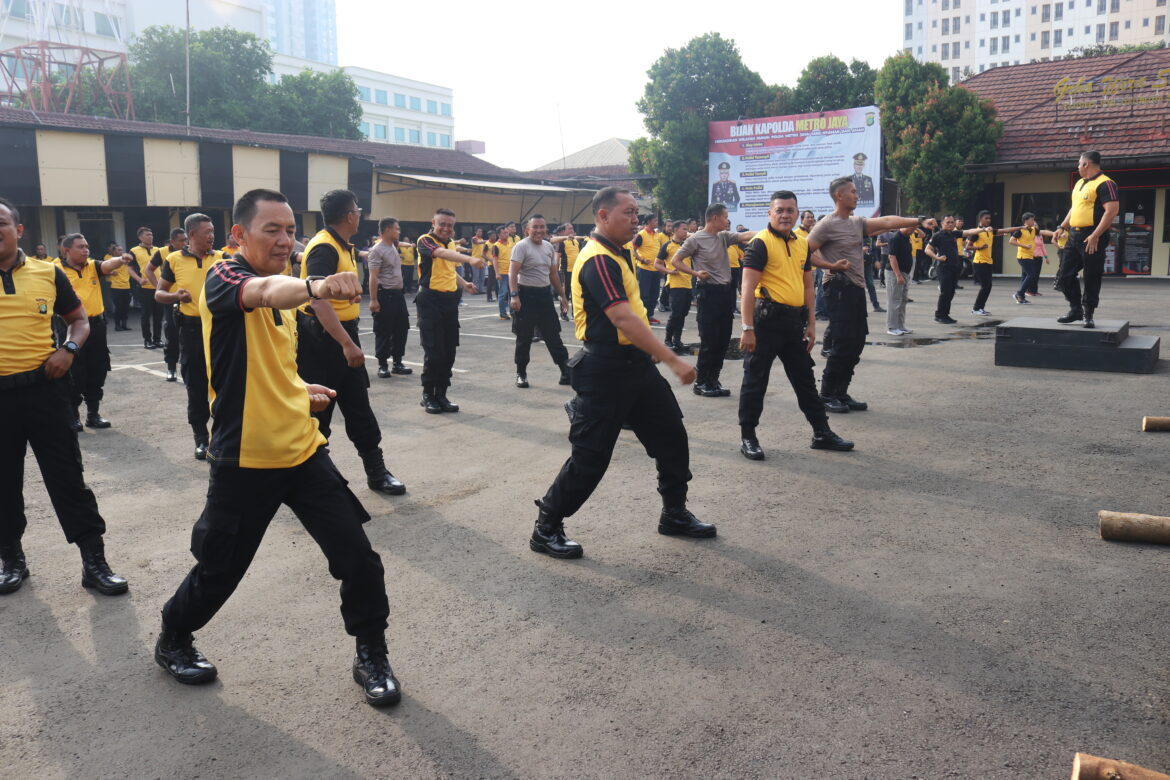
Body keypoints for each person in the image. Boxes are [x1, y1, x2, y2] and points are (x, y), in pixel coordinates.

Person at [154, 189, 400, 708]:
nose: (285, 239)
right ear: (239, 235)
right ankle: (174, 635)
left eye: (290, 230)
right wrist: (316, 285)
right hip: (244, 459)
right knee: (220, 568)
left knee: (358, 557)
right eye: (272, 229)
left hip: (303, 451)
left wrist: (298, 390)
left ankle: (370, 654)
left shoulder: (286, 297)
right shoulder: (225, 277)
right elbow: (264, 290)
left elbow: (275, 366)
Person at [528, 186, 711, 560]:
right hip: (604, 371)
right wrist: (672, 359)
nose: (635, 220)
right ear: (602, 216)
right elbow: (621, 317)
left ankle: (674, 513)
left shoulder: (619, 252)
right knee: (590, 458)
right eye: (628, 212)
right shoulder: (597, 258)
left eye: (636, 213)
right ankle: (546, 527)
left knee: (672, 438)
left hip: (636, 369)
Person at [0, 198, 129, 597]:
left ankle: (94, 561)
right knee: (3, 484)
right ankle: (11, 558)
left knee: (68, 478)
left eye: (0, 223)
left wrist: (68, 351)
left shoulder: (47, 272)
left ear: (18, 230)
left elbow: (78, 320)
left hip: (45, 391)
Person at [296, 190, 405, 495]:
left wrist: (350, 298)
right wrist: (347, 344)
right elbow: (317, 301)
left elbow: (330, 292)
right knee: (319, 412)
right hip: (322, 339)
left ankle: (377, 472)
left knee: (359, 408)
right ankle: (312, 481)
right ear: (348, 215)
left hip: (341, 331)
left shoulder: (342, 245)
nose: (360, 215)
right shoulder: (323, 247)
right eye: (358, 210)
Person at [737, 191, 854, 460]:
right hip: (764, 323)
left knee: (805, 381)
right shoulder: (759, 244)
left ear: (797, 213)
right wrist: (747, 328)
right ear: (770, 213)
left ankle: (821, 432)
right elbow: (747, 288)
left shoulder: (802, 243)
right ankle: (748, 437)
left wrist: (811, 324)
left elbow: (808, 287)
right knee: (755, 381)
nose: (785, 215)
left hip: (793, 323)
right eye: (779, 210)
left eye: (790, 210)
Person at [808, 177, 918, 414]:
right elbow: (804, 254)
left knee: (856, 342)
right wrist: (832, 265)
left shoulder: (857, 222)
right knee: (842, 342)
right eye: (853, 192)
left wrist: (918, 221)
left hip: (855, 289)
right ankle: (826, 394)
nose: (857, 196)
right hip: (837, 288)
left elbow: (887, 221)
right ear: (839, 195)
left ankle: (841, 392)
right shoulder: (826, 224)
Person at [154, 214, 227, 459]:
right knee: (196, 386)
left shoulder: (222, 258)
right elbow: (159, 294)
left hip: (220, 329)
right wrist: (176, 296)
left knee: (224, 383)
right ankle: (201, 438)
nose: (211, 235)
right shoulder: (174, 260)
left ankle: (222, 437)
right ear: (192, 235)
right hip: (192, 330)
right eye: (207, 231)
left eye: (213, 230)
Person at [668, 204, 755, 397]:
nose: (727, 221)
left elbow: (744, 236)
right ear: (715, 218)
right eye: (725, 217)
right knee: (709, 340)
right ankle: (701, 382)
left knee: (723, 340)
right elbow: (676, 260)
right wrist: (695, 272)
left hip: (726, 293)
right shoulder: (696, 239)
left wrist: (769, 231)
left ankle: (713, 380)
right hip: (708, 294)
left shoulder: (723, 236)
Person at [55, 233, 133, 430]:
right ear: (66, 250)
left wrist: (121, 259)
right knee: (74, 373)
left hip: (96, 326)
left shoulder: (92, 266)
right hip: (70, 327)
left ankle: (93, 414)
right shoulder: (54, 270)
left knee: (96, 370)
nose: (85, 250)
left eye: (87, 246)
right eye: (80, 246)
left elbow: (108, 265)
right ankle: (73, 416)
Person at [415, 207, 483, 413]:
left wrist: (465, 284)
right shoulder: (425, 240)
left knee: (449, 351)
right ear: (433, 223)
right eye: (442, 224)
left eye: (450, 225)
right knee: (434, 351)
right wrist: (469, 259)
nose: (446, 228)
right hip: (430, 301)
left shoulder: (451, 243)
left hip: (449, 302)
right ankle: (428, 395)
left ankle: (442, 394)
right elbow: (441, 254)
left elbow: (448, 269)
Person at [1056, 151, 1119, 329]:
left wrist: (1096, 235)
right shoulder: (1079, 183)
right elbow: (1074, 208)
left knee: (1091, 276)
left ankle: (1088, 313)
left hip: (1092, 236)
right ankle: (1075, 309)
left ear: (1086, 165)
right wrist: (1062, 226)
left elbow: (1111, 211)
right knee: (1064, 275)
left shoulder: (1106, 183)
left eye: (1079, 164)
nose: (1077, 167)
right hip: (1074, 235)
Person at [509, 214, 570, 388]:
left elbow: (553, 274)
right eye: (535, 227)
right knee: (524, 337)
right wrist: (514, 295)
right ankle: (521, 373)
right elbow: (512, 273)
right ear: (527, 229)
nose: (539, 230)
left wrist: (563, 296)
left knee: (553, 336)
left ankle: (565, 371)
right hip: (525, 295)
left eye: (542, 227)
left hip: (544, 296)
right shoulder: (521, 247)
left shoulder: (548, 247)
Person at [367, 218, 413, 380]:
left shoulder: (392, 245)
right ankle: (382, 365)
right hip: (384, 295)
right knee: (383, 330)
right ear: (387, 230)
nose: (399, 231)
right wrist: (373, 300)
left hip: (397, 295)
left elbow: (402, 244)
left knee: (401, 328)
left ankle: (397, 363)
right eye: (396, 229)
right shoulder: (377, 250)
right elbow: (373, 277)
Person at [144, 229, 188, 381]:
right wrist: (159, 288)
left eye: (186, 240)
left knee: (190, 334)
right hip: (171, 299)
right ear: (172, 242)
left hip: (189, 299)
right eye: (181, 240)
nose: (185, 243)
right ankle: (171, 367)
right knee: (171, 332)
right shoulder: (163, 253)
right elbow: (148, 269)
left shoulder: (190, 252)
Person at [967, 210, 1020, 316]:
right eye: (986, 218)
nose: (988, 220)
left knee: (988, 286)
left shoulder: (990, 231)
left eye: (989, 218)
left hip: (988, 261)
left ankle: (980, 308)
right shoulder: (977, 232)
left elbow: (1005, 230)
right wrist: (979, 247)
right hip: (979, 262)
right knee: (985, 286)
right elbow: (968, 246)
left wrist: (1020, 228)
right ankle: (976, 309)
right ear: (980, 219)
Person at [655, 221, 691, 353]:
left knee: (683, 314)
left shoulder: (687, 245)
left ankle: (677, 340)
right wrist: (669, 271)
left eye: (687, 229)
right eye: (683, 229)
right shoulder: (667, 246)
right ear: (675, 230)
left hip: (687, 283)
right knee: (676, 313)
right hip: (675, 284)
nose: (686, 231)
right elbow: (657, 264)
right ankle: (667, 340)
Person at [924, 215, 963, 324]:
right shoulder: (938, 235)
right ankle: (940, 315)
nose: (950, 224)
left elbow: (969, 232)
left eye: (952, 222)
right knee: (945, 292)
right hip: (943, 268)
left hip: (954, 267)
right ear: (942, 224)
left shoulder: (954, 234)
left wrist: (983, 229)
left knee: (951, 292)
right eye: (948, 222)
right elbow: (927, 249)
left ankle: (945, 314)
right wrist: (937, 258)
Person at [1011, 213, 1058, 305]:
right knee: (1031, 275)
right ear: (1026, 221)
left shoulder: (1033, 230)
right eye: (1032, 220)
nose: (1034, 221)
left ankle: (1021, 296)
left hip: (1030, 256)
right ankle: (1019, 294)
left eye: (1033, 219)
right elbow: (1011, 241)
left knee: (1029, 275)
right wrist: (1024, 246)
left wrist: (1055, 234)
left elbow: (1043, 232)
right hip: (1022, 256)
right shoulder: (1020, 230)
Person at [632, 214, 664, 323]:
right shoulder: (641, 235)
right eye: (655, 220)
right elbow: (633, 250)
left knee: (654, 295)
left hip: (655, 269)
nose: (657, 221)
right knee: (644, 295)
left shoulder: (657, 235)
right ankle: (641, 317)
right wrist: (642, 260)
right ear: (648, 222)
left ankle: (649, 316)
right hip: (644, 269)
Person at [885, 224, 916, 335]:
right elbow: (892, 257)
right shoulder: (895, 238)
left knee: (903, 301)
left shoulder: (906, 237)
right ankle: (892, 327)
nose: (913, 231)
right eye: (912, 228)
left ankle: (901, 326)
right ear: (905, 226)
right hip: (895, 273)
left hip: (905, 272)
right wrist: (898, 275)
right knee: (894, 300)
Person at [106, 242, 139, 331]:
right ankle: (117, 325)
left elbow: (132, 267)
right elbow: (104, 270)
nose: (121, 251)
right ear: (114, 251)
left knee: (126, 307)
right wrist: (110, 272)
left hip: (126, 286)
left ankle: (124, 324)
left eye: (121, 250)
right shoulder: (110, 259)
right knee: (118, 307)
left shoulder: (126, 260)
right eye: (118, 250)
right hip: (116, 287)